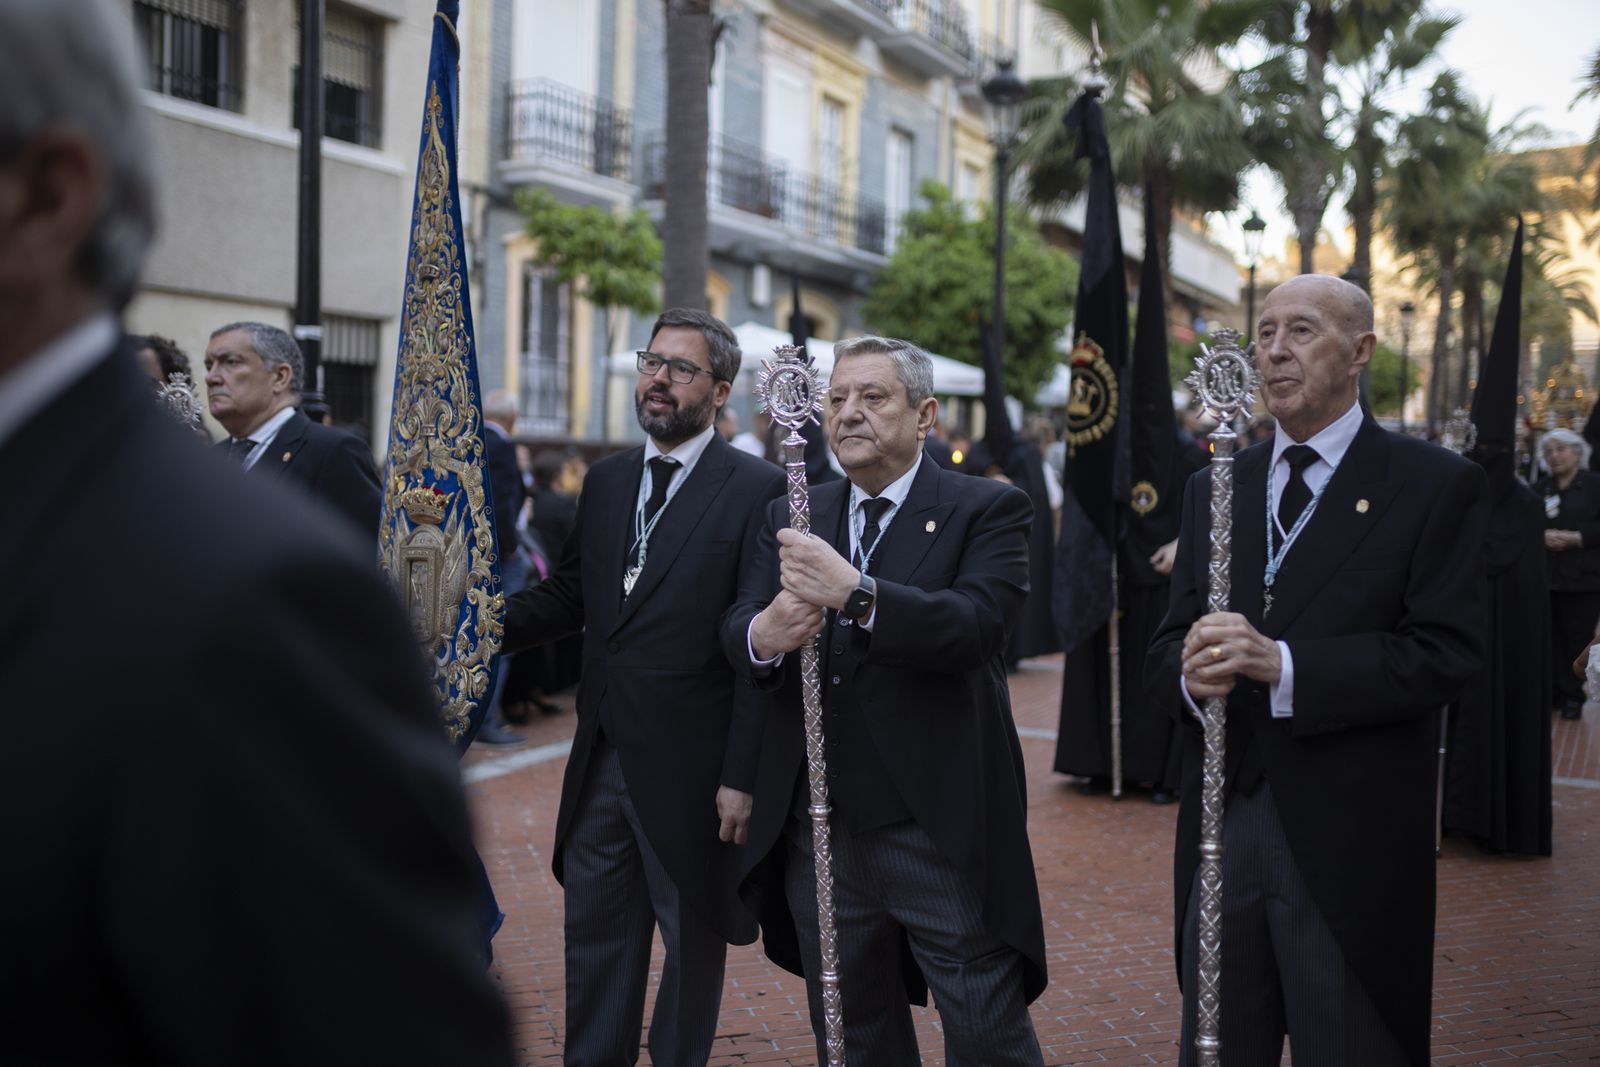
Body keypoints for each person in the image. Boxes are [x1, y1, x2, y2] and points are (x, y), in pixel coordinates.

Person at [0, 3, 512, 1062]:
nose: (219, 375)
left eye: (236, 362)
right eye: (214, 362)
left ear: (48, 196)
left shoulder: (269, 592)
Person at [1147, 275, 1488, 1066]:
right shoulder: (1215, 484)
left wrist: (1285, 665)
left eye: (1301, 331)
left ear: (1360, 351)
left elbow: (1445, 652)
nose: (1274, 351)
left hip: (1350, 836)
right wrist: (1189, 679)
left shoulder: (1431, 484)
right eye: (1265, 332)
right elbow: (1166, 646)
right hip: (1224, 822)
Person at [724, 336, 1047, 1064]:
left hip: (935, 825)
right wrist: (763, 634)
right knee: (853, 1031)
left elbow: (977, 626)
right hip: (821, 826)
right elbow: (739, 627)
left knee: (986, 1028)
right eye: (837, 398)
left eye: (873, 397)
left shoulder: (987, 507)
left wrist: (857, 593)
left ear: (925, 415)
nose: (848, 413)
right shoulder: (794, 511)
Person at [500, 308, 785, 1065]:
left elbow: (759, 646)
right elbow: (571, 595)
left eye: (681, 369)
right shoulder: (606, 479)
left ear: (719, 391)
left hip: (697, 772)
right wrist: (473, 624)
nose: (659, 379)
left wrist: (742, 776)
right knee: (595, 942)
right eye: (652, 362)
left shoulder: (758, 488)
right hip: (600, 758)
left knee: (692, 949)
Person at [204, 321, 381, 541]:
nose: (211, 378)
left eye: (230, 362)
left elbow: (365, 549)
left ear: (279, 377)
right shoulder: (211, 459)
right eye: (209, 366)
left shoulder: (333, 452)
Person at [1533, 428, 1600, 720]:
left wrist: (1578, 537)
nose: (1554, 456)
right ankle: (1552, 692)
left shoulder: (1595, 485)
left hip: (1584, 578)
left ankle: (1573, 695)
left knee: (1577, 637)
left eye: (1561, 449)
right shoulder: (1540, 488)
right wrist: (1540, 536)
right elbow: (1524, 522)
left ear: (1577, 452)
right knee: (1549, 638)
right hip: (1547, 577)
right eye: (1549, 451)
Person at [475, 388, 528, 746]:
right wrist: (509, 551)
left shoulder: (470, 440)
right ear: (512, 418)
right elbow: (505, 504)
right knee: (499, 637)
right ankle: (487, 720)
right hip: (498, 557)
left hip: (470, 555)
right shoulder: (503, 446)